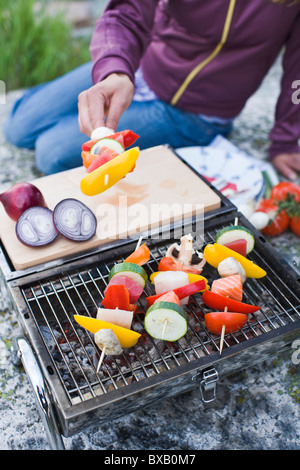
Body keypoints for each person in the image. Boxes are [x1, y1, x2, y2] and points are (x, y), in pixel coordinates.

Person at [3, 0, 300, 180]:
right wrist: (114, 69)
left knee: (50, 153)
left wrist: (285, 140)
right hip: (140, 67)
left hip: (194, 113)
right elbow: (126, 12)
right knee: (18, 128)